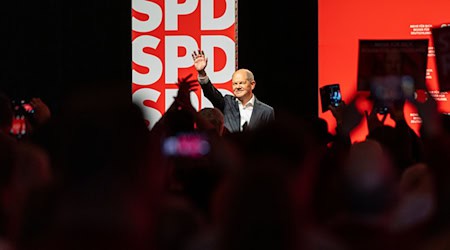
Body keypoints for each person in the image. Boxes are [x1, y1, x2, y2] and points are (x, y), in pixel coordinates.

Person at [192, 50, 275, 133]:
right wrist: (202, 73)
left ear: (252, 85)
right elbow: (211, 93)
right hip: (229, 146)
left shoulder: (266, 111)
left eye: (241, 83)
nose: (237, 87)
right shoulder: (226, 104)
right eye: (235, 84)